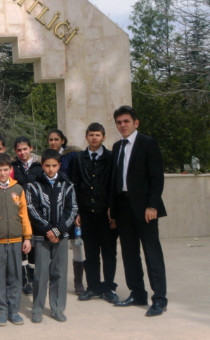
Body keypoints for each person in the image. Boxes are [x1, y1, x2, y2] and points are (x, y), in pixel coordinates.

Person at [109, 106, 168, 317]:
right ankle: (137, 293)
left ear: (136, 122)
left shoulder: (148, 143)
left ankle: (159, 299)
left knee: (152, 254)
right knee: (129, 254)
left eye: (126, 121)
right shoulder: (116, 147)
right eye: (118, 122)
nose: (122, 125)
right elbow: (115, 181)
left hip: (145, 209)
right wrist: (113, 210)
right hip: (124, 208)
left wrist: (152, 205)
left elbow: (156, 177)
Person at [26, 149, 78, 323]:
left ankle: (57, 308)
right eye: (47, 165)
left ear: (59, 165)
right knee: (40, 274)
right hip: (41, 237)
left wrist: (58, 231)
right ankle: (37, 308)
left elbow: (72, 210)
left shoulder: (67, 185)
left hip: (61, 237)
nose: (50, 169)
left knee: (59, 273)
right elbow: (32, 210)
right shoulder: (33, 186)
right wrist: (48, 229)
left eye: (54, 165)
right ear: (42, 165)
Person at [0, 153, 32, 326]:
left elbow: (24, 214)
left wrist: (27, 237)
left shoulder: (18, 189)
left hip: (17, 240)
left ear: (10, 170)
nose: (2, 173)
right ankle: (1, 310)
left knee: (15, 276)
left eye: (5, 169)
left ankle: (14, 310)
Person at [71, 123, 119, 304]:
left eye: (98, 135)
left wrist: (113, 211)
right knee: (90, 253)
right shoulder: (78, 159)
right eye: (91, 134)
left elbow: (114, 186)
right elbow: (74, 185)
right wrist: (77, 211)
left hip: (106, 214)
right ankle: (92, 287)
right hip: (87, 213)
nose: (94, 138)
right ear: (86, 137)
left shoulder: (111, 158)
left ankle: (108, 288)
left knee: (109, 252)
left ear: (104, 137)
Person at [48, 129, 85, 294]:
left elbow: (77, 183)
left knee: (76, 244)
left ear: (63, 140)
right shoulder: (47, 157)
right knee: (55, 245)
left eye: (56, 139)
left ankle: (78, 282)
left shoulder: (72, 156)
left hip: (71, 206)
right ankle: (55, 281)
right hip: (54, 209)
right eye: (50, 140)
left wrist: (77, 210)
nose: (53, 142)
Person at [11, 136, 42, 296]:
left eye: (25, 149)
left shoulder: (39, 166)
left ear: (30, 148)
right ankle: (23, 279)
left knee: (34, 246)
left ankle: (33, 276)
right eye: (19, 150)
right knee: (23, 244)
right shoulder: (13, 166)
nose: (22, 152)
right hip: (19, 211)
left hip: (36, 211)